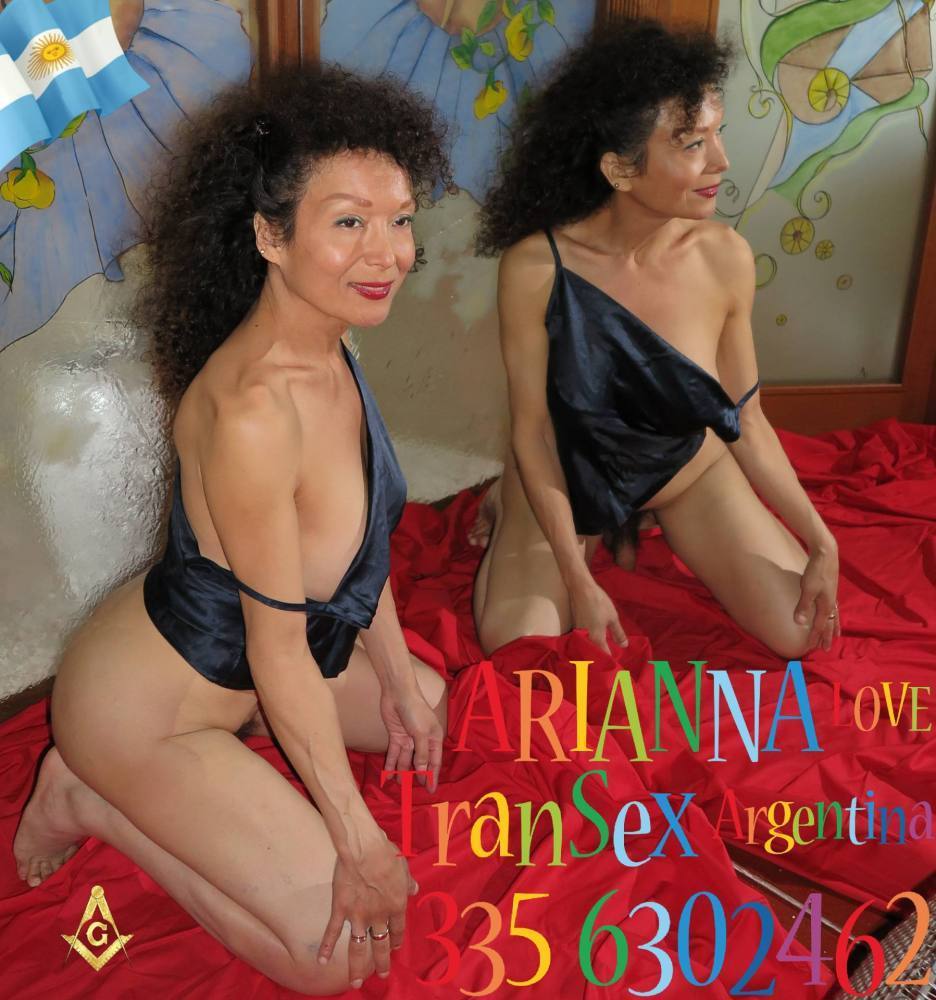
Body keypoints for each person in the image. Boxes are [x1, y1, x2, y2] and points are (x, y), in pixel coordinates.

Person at [12, 66, 450, 995]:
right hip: (146, 712)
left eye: (400, 219)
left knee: (428, 698)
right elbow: (279, 649)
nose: (387, 254)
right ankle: (90, 796)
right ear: (269, 236)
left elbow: (355, 553)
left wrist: (397, 678)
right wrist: (356, 837)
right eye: (349, 223)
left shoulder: (333, 342)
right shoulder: (252, 410)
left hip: (251, 671)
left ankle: (246, 737)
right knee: (336, 959)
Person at [470, 20, 841, 661]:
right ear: (619, 168)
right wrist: (578, 579)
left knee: (801, 631)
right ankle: (510, 500)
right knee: (523, 649)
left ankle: (656, 515)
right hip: (570, 476)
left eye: (718, 134)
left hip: (686, 470)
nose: (722, 161)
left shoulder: (724, 257)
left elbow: (748, 418)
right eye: (693, 143)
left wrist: (821, 539)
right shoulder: (535, 270)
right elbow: (533, 432)